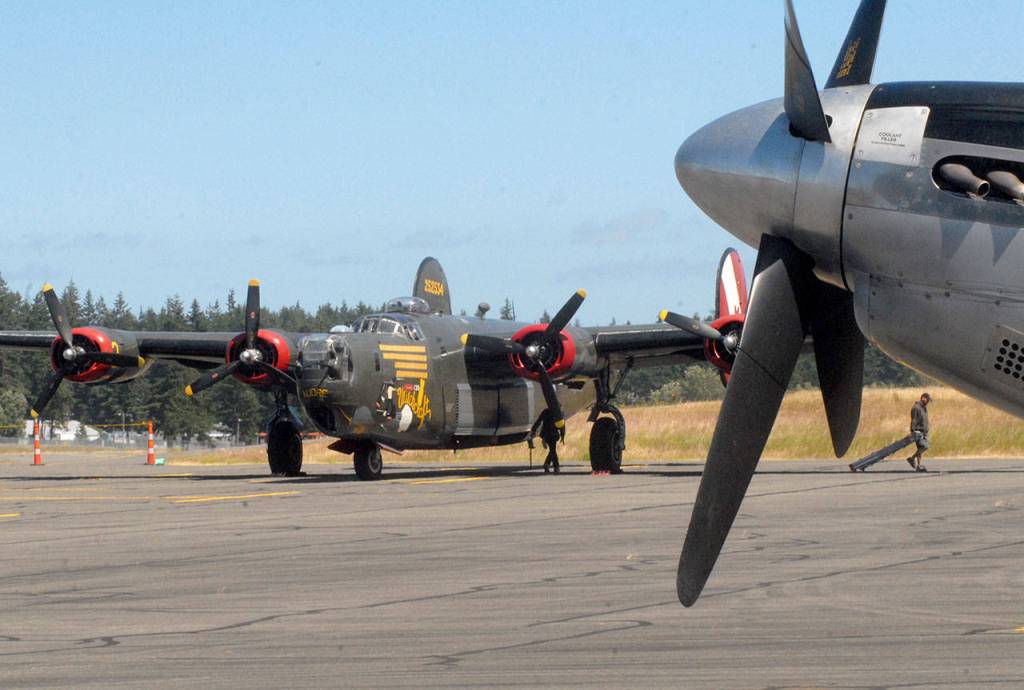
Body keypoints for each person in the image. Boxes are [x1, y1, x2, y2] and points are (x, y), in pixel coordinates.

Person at [529, 409, 565, 474]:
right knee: (553, 450)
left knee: (552, 450)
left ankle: (548, 464)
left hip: (546, 434)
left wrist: (533, 430)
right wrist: (562, 435)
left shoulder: (545, 411)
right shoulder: (559, 413)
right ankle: (555, 466)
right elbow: (562, 425)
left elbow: (538, 421)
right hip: (553, 434)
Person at [906, 392, 932, 472]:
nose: (928, 402)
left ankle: (919, 466)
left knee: (920, 449)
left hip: (924, 432)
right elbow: (914, 420)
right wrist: (913, 431)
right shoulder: (916, 408)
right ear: (923, 398)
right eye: (927, 400)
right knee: (925, 446)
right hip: (918, 432)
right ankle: (912, 458)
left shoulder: (924, 408)